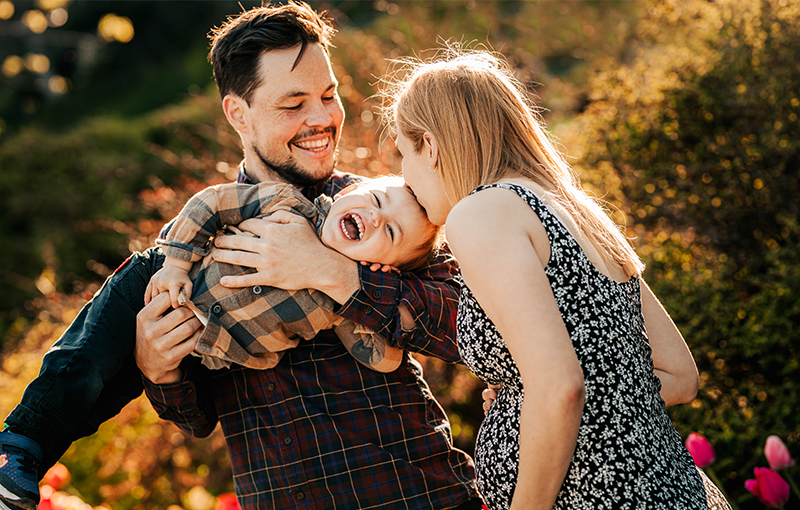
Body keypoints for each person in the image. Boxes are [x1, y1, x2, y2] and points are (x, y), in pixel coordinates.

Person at [0, 3, 482, 510]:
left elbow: (475, 332)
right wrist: (160, 371)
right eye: (293, 104)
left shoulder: (392, 213)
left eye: (328, 95)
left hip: (417, 496)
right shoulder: (194, 242)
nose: (321, 118)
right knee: (132, 293)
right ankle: (22, 450)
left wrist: (333, 273)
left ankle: (23, 444)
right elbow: (198, 419)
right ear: (238, 113)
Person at [382, 47, 732, 510]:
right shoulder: (576, 211)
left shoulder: (481, 213)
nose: (402, 175)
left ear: (431, 145)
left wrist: (542, 407)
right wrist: (524, 406)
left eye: (403, 153)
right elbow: (680, 376)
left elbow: (561, 387)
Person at [146, 175, 439, 372]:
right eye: (376, 200)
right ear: (349, 191)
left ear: (383, 266)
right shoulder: (285, 202)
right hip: (172, 287)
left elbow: (383, 360)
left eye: (390, 231)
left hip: (208, 350)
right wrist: (175, 265)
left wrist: (373, 287)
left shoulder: (341, 304)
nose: (376, 216)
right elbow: (212, 202)